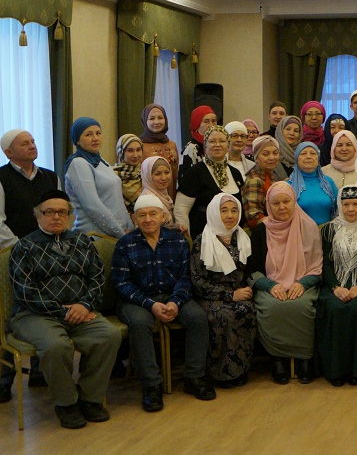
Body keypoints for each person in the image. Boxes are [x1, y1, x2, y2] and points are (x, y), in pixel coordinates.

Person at [8, 190, 122, 429]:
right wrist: (64, 312)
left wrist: (84, 305)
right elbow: (26, 293)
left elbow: (97, 278)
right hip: (35, 315)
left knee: (109, 336)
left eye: (62, 212)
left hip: (81, 311)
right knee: (55, 346)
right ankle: (66, 403)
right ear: (38, 215)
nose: (56, 217)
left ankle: (90, 398)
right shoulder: (24, 247)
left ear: (70, 216)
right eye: (49, 212)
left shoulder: (82, 242)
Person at [113, 193, 216, 411]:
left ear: (163, 216)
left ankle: (195, 377)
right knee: (140, 323)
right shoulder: (124, 244)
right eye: (142, 215)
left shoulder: (178, 240)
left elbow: (186, 277)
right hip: (137, 300)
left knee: (198, 317)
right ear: (134, 219)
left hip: (173, 296)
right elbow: (122, 283)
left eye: (153, 214)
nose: (148, 219)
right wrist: (150, 304)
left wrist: (175, 302)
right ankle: (151, 385)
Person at [247, 182, 323, 384]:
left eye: (286, 201)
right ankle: (277, 359)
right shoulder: (261, 231)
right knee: (272, 307)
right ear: (268, 206)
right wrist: (270, 286)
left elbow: (318, 266)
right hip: (270, 284)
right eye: (276, 203)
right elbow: (252, 269)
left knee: (301, 306)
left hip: (304, 282)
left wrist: (303, 283)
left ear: (294, 202)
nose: (281, 207)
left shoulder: (308, 227)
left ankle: (305, 359)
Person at [316, 185, 357, 386]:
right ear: (339, 205)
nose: (351, 209)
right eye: (346, 204)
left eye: (355, 204)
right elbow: (326, 263)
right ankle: (336, 371)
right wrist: (336, 288)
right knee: (334, 308)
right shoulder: (329, 229)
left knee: (356, 308)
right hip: (335, 284)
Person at [189, 193, 256, 389]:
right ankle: (220, 373)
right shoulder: (202, 240)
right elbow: (197, 280)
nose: (230, 215)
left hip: (239, 292)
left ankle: (241, 369)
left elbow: (249, 271)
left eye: (234, 210)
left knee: (247, 310)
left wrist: (248, 288)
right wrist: (229, 295)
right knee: (223, 315)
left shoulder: (242, 237)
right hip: (210, 296)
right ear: (213, 213)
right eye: (224, 210)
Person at [64, 117, 128, 239]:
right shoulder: (78, 163)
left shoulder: (102, 161)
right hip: (96, 236)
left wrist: (129, 225)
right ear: (77, 140)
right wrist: (120, 233)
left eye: (98, 133)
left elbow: (118, 199)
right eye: (88, 134)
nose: (95, 138)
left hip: (116, 234)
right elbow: (92, 206)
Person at [174, 125, 244, 236]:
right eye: (212, 141)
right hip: (203, 237)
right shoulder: (195, 172)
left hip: (233, 236)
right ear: (205, 145)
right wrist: (187, 239)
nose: (217, 145)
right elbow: (181, 210)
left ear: (228, 145)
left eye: (222, 141)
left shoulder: (235, 173)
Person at [0, 129, 61, 249]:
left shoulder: (51, 177)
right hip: (16, 249)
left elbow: (61, 212)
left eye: (33, 142)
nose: (32, 146)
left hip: (52, 246)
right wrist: (20, 247)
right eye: (25, 144)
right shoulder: (2, 178)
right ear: (9, 152)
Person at [288, 142, 338, 225]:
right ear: (296, 159)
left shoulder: (328, 182)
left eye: (313, 153)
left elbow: (338, 209)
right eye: (303, 153)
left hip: (326, 231)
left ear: (318, 159)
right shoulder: (289, 185)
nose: (308, 157)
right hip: (299, 231)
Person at [241, 135, 283, 228]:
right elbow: (254, 218)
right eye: (266, 154)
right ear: (256, 157)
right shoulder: (255, 180)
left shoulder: (272, 176)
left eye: (275, 153)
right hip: (264, 231)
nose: (272, 157)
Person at [139, 104, 180, 196]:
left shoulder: (172, 145)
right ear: (145, 121)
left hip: (171, 196)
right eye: (152, 118)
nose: (156, 122)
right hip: (149, 197)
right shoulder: (140, 145)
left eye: (160, 118)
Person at [180, 105, 218, 179]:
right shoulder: (192, 148)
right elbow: (186, 178)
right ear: (197, 125)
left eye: (213, 121)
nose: (211, 125)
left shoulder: (218, 145)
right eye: (206, 121)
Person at [140, 156, 176, 227]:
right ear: (148, 176)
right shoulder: (147, 201)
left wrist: (176, 226)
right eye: (158, 174)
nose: (164, 178)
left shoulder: (164, 196)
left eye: (167, 172)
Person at [273, 115, 303, 179]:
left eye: (296, 131)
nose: (292, 133)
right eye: (288, 129)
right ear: (280, 131)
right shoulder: (272, 153)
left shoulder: (303, 154)